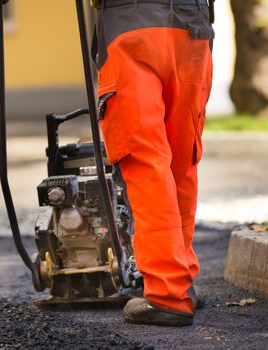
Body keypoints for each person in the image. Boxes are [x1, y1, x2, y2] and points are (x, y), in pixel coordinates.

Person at [91, 0, 214, 326]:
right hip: (193, 27)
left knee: (147, 162)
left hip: (130, 26)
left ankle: (168, 293)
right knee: (180, 163)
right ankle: (181, 279)